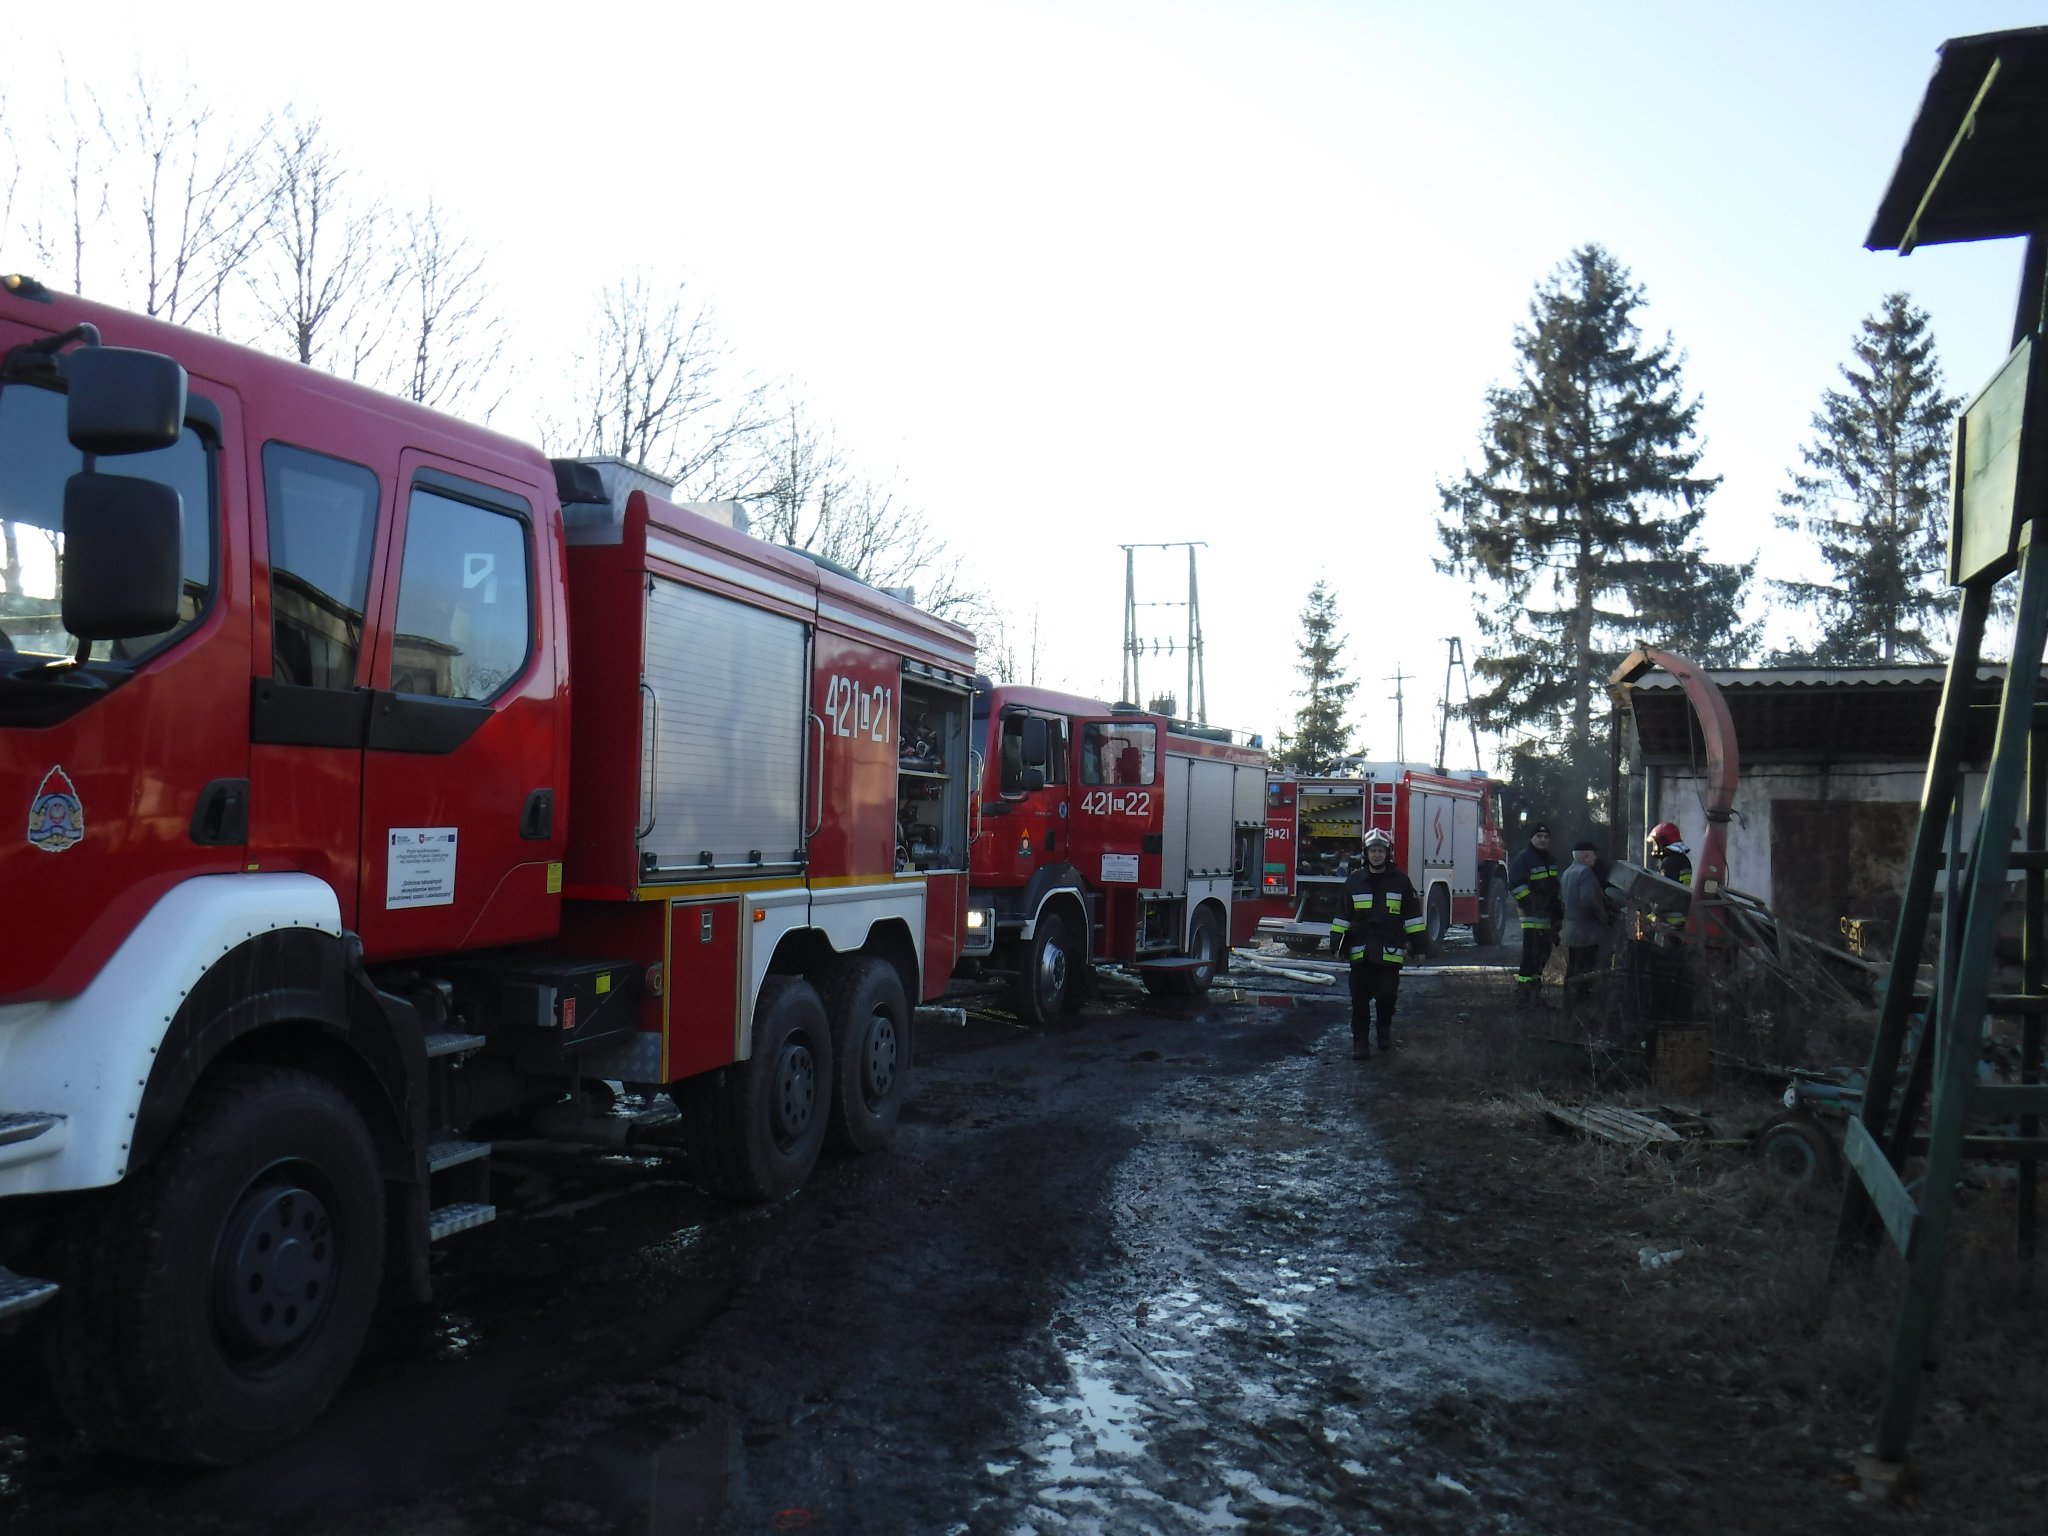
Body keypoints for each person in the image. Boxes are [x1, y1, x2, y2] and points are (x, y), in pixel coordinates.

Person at [1326, 827, 1427, 1058]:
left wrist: (1419, 948)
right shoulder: (1354, 881)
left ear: (1388, 853)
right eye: (1373, 850)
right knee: (1359, 1001)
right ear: (1366, 853)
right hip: (1360, 953)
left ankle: (1383, 1031)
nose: (1376, 855)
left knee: (1387, 996)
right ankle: (1360, 1043)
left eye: (1381, 850)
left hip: (1389, 952)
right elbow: (1342, 916)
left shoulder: (1400, 882)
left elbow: (1412, 918)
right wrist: (1336, 945)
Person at [1560, 839, 1616, 1030]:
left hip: (1572, 932)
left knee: (1573, 971)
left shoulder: (1568, 872)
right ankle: (1583, 1015)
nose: (1595, 858)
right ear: (1585, 855)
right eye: (1593, 855)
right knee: (1587, 974)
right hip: (1587, 934)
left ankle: (1569, 1010)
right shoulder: (1585, 873)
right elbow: (1590, 900)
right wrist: (1604, 918)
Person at [1507, 822, 1561, 1006]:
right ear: (1532, 838)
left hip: (1548, 919)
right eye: (1539, 836)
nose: (1543, 840)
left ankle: (1534, 995)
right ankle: (1523, 996)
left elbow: (1555, 889)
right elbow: (1515, 884)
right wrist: (1531, 903)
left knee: (1542, 958)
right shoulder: (1525, 859)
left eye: (1546, 837)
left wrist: (1558, 913)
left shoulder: (1550, 860)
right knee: (1530, 958)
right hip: (1531, 919)